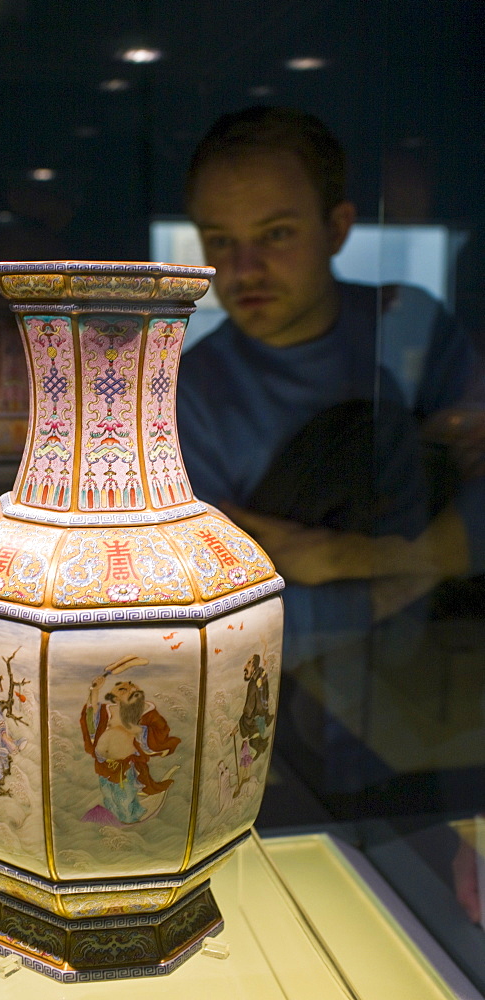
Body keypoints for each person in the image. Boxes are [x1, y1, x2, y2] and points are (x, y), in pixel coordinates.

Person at [176, 106, 483, 796]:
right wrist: (425, 565)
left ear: (338, 228)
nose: (242, 268)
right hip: (267, 735)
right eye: (219, 240)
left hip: (432, 703)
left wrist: (355, 559)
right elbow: (216, 617)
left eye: (276, 234)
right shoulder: (187, 392)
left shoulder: (410, 328)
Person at [80, 671, 180, 824]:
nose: (129, 689)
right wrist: (95, 690)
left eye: (132, 688)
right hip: (103, 763)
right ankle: (114, 821)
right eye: (122, 689)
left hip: (124, 765)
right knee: (108, 795)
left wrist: (138, 729)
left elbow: (158, 731)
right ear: (114, 697)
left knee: (125, 797)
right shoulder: (109, 710)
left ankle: (130, 820)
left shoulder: (142, 712)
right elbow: (91, 715)